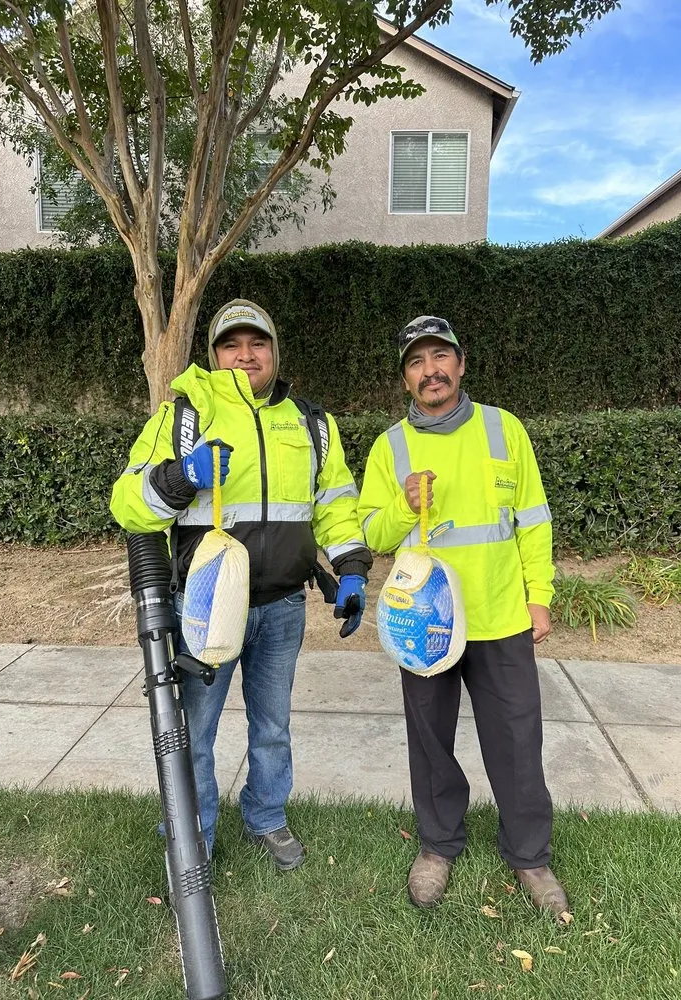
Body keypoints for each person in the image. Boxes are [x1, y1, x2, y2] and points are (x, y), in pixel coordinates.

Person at [111, 298, 371, 870]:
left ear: (275, 353)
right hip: (206, 607)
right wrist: (183, 475)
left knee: (272, 726)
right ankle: (193, 831)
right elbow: (128, 504)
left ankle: (267, 816)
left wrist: (352, 568)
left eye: (258, 344)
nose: (246, 354)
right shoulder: (183, 419)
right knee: (195, 731)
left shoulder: (312, 423)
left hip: (283, 607)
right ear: (214, 355)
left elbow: (337, 505)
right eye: (232, 345)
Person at [357, 316, 568, 918]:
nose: (432, 370)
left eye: (440, 356)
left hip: (501, 616)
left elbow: (533, 519)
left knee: (518, 739)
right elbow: (371, 532)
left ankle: (529, 854)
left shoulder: (506, 431)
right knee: (430, 743)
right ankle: (439, 845)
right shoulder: (389, 447)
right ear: (405, 377)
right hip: (425, 624)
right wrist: (404, 504)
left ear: (461, 363)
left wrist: (539, 596)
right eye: (418, 361)